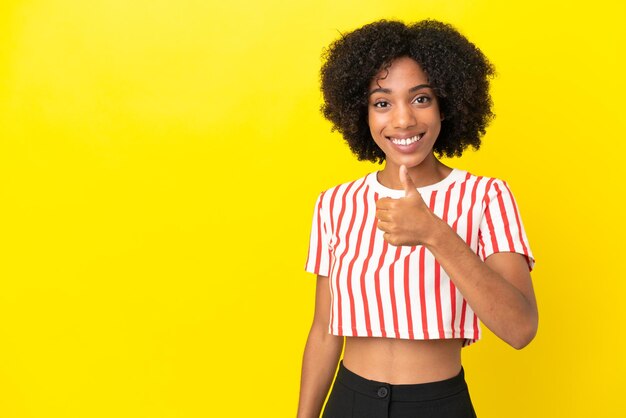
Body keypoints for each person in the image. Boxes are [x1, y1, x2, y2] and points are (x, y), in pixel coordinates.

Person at [297, 20, 538, 418]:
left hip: (438, 405)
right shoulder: (335, 203)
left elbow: (520, 329)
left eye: (421, 99)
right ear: (362, 113)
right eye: (382, 102)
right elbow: (324, 332)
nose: (404, 120)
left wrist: (434, 233)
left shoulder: (485, 197)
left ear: (447, 103)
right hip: (349, 402)